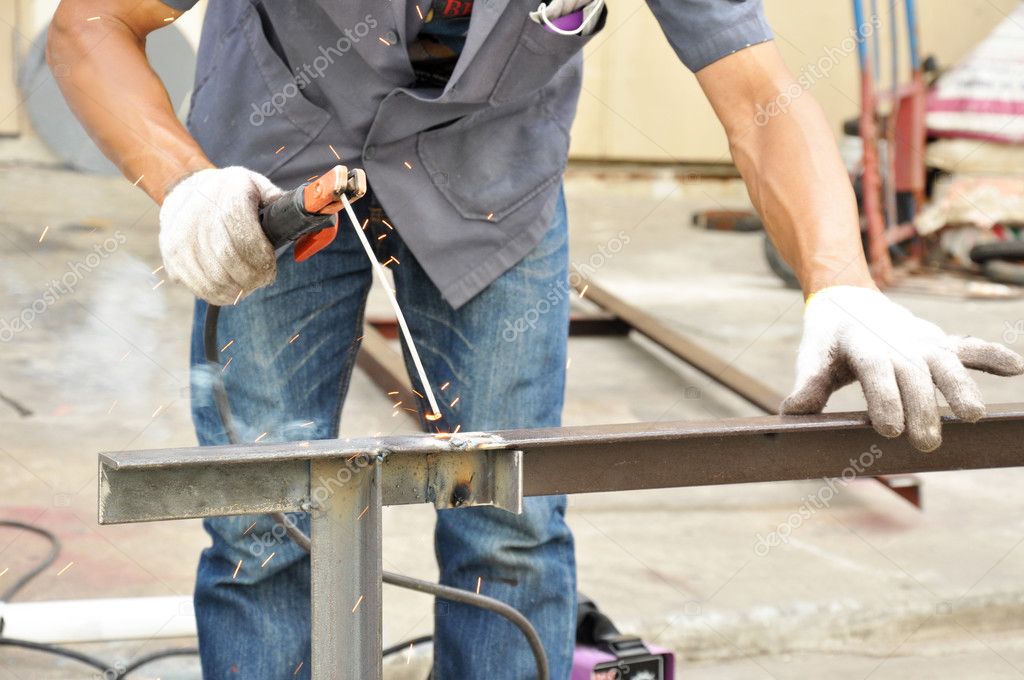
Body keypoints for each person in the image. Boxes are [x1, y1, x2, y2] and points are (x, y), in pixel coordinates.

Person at [48, 0, 1023, 677]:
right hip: (273, 172)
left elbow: (759, 97)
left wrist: (841, 279)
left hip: (492, 184)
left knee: (509, 520)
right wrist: (182, 183)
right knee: (261, 521)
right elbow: (90, 23)